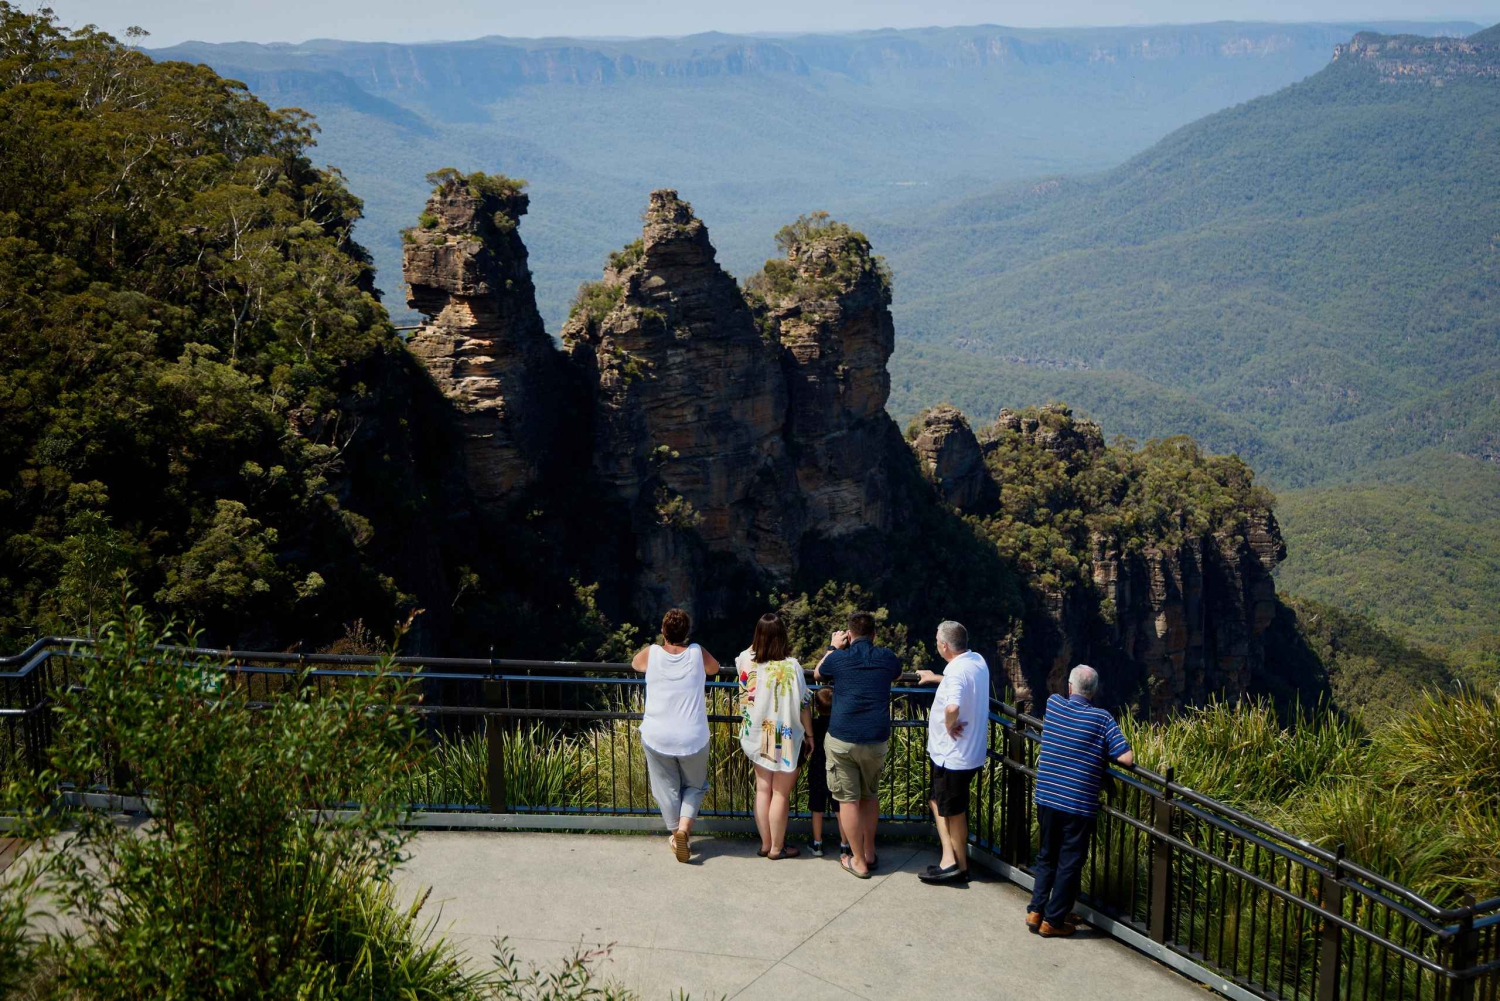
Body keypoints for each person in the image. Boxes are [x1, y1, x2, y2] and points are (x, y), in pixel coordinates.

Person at [1028, 664, 1134, 936]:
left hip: (1047, 795)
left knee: (1046, 854)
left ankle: (1035, 910)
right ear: (1094, 691)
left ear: (1070, 687)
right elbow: (1126, 758)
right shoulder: (1102, 720)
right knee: (1070, 861)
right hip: (1077, 802)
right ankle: (1052, 921)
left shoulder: (1053, 704)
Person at [814, 611, 903, 879]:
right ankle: (870, 852)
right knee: (870, 796)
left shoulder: (838, 659)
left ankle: (858, 861)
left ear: (849, 636)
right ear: (874, 635)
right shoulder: (886, 657)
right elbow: (897, 674)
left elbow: (818, 673)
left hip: (842, 738)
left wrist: (833, 647)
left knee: (848, 801)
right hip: (875, 738)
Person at [632, 608, 719, 864]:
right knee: (695, 785)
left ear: (663, 631)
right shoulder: (697, 652)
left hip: (657, 735)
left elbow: (635, 664)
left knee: (666, 788)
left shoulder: (652, 652)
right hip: (693, 736)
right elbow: (714, 669)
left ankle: (675, 834)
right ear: (687, 632)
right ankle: (683, 830)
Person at [915, 620, 990, 885]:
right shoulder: (977, 661)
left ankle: (957, 867)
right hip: (969, 752)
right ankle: (951, 858)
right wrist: (936, 678)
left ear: (945, 646)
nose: (936, 644)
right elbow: (958, 682)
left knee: (953, 811)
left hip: (953, 756)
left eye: (937, 641)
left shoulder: (956, 672)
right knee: (938, 802)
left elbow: (952, 708)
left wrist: (949, 724)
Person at [735, 612, 813, 860]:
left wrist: (760, 638)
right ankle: (777, 848)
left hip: (757, 733)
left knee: (763, 789)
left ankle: (766, 844)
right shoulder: (792, 666)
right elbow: (803, 703)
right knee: (780, 793)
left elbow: (747, 653)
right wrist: (810, 735)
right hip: (783, 734)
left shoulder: (747, 661)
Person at [804, 685, 847, 857]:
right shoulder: (839, 725)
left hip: (817, 769)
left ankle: (817, 843)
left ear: (816, 706)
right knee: (840, 808)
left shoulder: (813, 726)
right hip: (837, 768)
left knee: (817, 808)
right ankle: (845, 844)